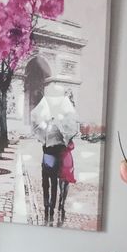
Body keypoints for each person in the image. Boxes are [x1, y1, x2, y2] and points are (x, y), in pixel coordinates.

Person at [31, 85, 78, 225]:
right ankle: (53, 206)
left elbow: (39, 130)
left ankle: (47, 206)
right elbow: (69, 134)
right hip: (57, 154)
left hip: (47, 153)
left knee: (47, 181)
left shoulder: (45, 116)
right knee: (54, 182)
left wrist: (47, 125)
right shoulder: (63, 118)